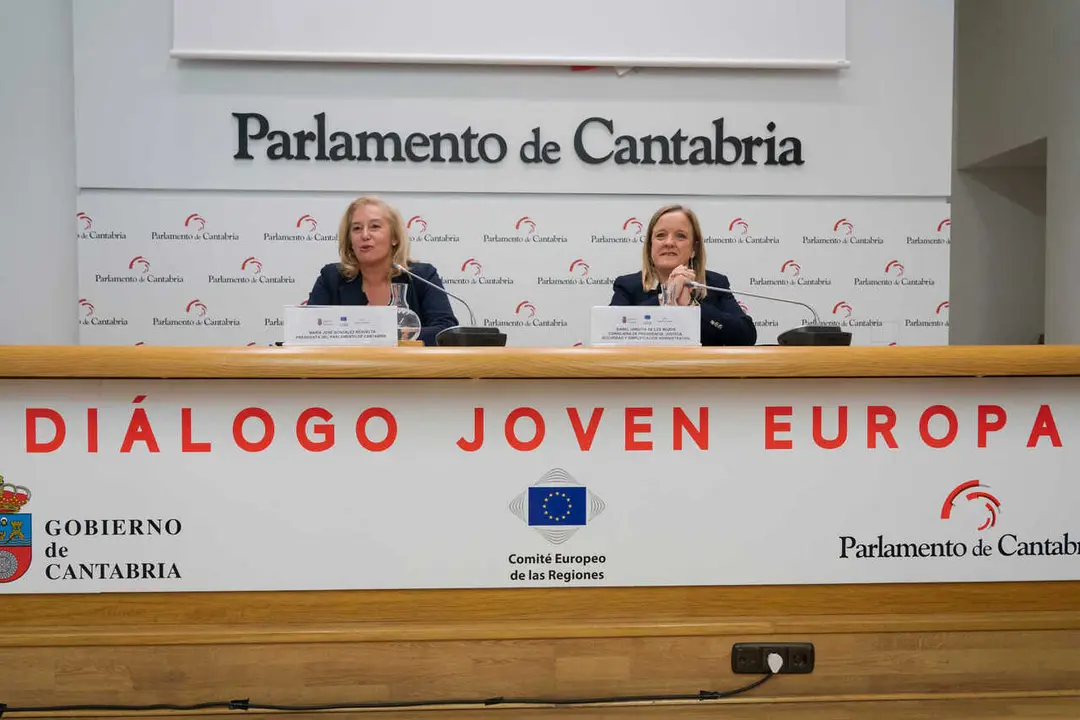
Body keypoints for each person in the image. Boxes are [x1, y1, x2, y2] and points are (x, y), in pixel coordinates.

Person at [306, 196, 458, 346]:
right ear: (350, 240)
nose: (365, 235)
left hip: (409, 368)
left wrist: (384, 334)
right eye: (357, 228)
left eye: (375, 227)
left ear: (394, 237)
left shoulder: (422, 276)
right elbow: (307, 330)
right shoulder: (331, 278)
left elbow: (445, 330)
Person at [610, 204, 757, 346]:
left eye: (680, 236)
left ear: (694, 248)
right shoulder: (627, 286)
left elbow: (746, 336)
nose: (669, 242)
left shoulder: (715, 283)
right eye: (661, 236)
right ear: (650, 246)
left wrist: (692, 306)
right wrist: (667, 297)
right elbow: (610, 332)